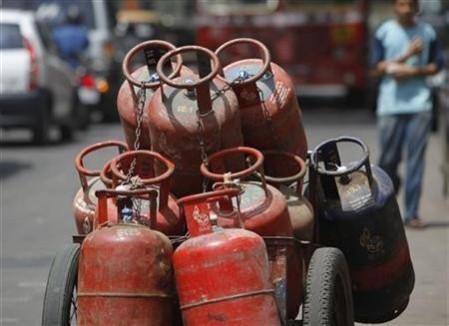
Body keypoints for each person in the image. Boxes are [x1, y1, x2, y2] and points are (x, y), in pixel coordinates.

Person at [371, 0, 444, 228]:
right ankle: (384, 209)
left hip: (419, 106)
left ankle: (411, 213)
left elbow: (436, 66)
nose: (407, 9)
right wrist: (407, 55)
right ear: (395, 7)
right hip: (390, 106)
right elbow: (378, 68)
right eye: (402, 4)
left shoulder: (427, 32)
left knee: (416, 161)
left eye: (411, 5)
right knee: (388, 161)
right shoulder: (384, 32)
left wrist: (413, 71)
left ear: (417, 8)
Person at [52, 6, 89, 70]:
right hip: (76, 64)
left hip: (63, 65)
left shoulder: (58, 32)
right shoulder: (82, 31)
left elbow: (54, 46)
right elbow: (86, 45)